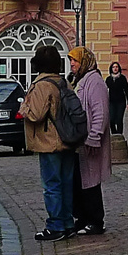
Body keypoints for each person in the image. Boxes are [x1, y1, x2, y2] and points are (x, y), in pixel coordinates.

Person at [19, 44, 74, 241]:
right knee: (66, 183)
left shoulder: (43, 84)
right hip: (68, 139)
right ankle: (67, 222)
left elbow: (36, 114)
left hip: (50, 141)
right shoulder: (64, 82)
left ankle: (55, 225)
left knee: (52, 185)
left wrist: (24, 107)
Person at [68, 46, 111, 236]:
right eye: (71, 61)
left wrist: (94, 137)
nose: (72, 64)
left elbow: (100, 112)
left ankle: (95, 220)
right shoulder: (81, 80)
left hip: (90, 141)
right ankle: (83, 218)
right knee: (80, 181)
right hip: (81, 142)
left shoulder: (95, 82)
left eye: (75, 61)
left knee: (91, 182)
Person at [105, 61, 128, 136]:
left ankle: (119, 135)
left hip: (121, 102)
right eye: (113, 67)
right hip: (112, 102)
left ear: (119, 68)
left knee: (119, 119)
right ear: (111, 69)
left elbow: (126, 90)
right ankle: (114, 134)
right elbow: (105, 90)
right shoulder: (108, 79)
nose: (115, 68)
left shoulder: (122, 78)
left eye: (116, 67)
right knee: (111, 119)